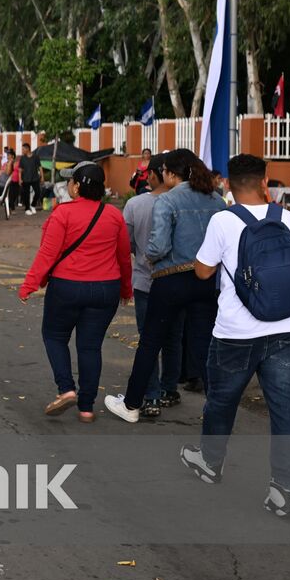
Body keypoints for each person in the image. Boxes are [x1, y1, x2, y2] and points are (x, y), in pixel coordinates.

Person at [180, 154, 290, 517]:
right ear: (265, 180)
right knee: (285, 409)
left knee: (222, 401)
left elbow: (204, 272)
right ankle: (285, 490)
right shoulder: (289, 219)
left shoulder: (223, 220)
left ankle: (210, 461)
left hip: (236, 332)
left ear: (228, 186)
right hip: (286, 328)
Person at [106, 149, 225, 423]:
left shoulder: (167, 201)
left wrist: (147, 256)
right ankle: (218, 407)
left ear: (170, 174)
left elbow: (158, 246)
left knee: (150, 341)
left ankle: (133, 404)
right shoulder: (217, 201)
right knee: (203, 344)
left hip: (170, 279)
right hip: (206, 280)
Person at [19, 162, 131, 423]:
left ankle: (66, 389)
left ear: (77, 186)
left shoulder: (63, 213)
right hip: (106, 290)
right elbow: (124, 257)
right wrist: (126, 288)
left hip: (67, 288)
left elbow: (48, 254)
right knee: (90, 347)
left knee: (55, 336)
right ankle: (86, 408)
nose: (69, 185)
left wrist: (29, 285)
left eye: (71, 181)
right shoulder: (114, 215)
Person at [120, 154, 182, 418]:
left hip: (146, 282)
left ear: (155, 175)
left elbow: (127, 246)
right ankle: (170, 389)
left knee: (149, 340)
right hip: (179, 282)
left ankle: (152, 396)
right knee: (173, 338)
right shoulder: (185, 204)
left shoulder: (135, 205)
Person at [20, 142, 41, 214]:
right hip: (25, 179)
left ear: (27, 149)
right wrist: (20, 179)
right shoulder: (22, 158)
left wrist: (42, 177)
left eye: (23, 149)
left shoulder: (36, 157)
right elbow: (20, 170)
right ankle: (27, 209)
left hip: (35, 178)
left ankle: (33, 205)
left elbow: (40, 167)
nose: (22, 151)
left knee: (38, 192)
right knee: (26, 194)